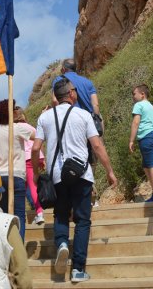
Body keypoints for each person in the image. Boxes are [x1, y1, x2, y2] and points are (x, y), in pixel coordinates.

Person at [32, 78, 117, 283]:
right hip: (81, 174)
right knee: (82, 220)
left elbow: (35, 148)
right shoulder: (83, 114)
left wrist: (36, 172)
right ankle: (78, 268)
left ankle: (62, 243)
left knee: (61, 214)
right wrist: (109, 171)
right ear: (70, 94)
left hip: (57, 176)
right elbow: (96, 146)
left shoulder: (45, 118)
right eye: (75, 90)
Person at [52, 58, 103, 206]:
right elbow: (96, 104)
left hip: (70, 125)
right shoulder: (87, 82)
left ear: (64, 69)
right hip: (88, 124)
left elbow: (55, 101)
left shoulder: (59, 80)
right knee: (89, 161)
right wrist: (96, 122)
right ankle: (92, 198)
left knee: (69, 161)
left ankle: (73, 199)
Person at [0, 99, 34, 240]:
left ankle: (3, 247)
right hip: (16, 175)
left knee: (2, 215)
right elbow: (37, 135)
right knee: (19, 215)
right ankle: (18, 249)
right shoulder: (17, 128)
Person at [128, 84, 153, 202]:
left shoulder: (139, 105)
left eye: (134, 94)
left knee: (152, 166)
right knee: (146, 166)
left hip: (147, 137)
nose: (133, 97)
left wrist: (131, 140)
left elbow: (136, 122)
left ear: (142, 94)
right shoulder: (151, 107)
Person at [13, 106, 46, 225]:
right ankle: (36, 209)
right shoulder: (30, 127)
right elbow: (40, 141)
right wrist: (43, 158)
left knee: (31, 186)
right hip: (37, 156)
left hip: (26, 158)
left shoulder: (15, 128)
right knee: (28, 185)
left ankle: (39, 212)